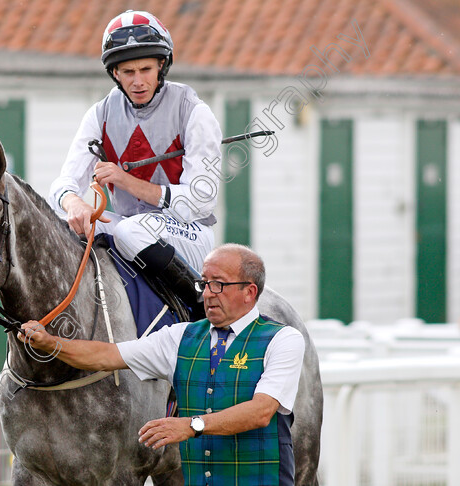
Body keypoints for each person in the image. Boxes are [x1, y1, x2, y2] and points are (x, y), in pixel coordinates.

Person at [18, 244, 305, 486]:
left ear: (249, 292)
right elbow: (106, 355)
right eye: (204, 284)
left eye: (218, 284)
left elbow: (261, 412)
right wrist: (51, 343)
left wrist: (191, 426)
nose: (206, 293)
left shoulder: (283, 339)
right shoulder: (181, 337)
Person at [48, 10, 223, 309]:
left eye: (145, 69)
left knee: (132, 230)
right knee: (61, 228)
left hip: (189, 232)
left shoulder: (193, 111)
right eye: (128, 72)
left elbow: (202, 200)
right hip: (128, 227)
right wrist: (72, 202)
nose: (138, 81)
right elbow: (63, 183)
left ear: (162, 65)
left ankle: (198, 303)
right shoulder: (100, 114)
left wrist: (125, 180)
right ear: (115, 73)